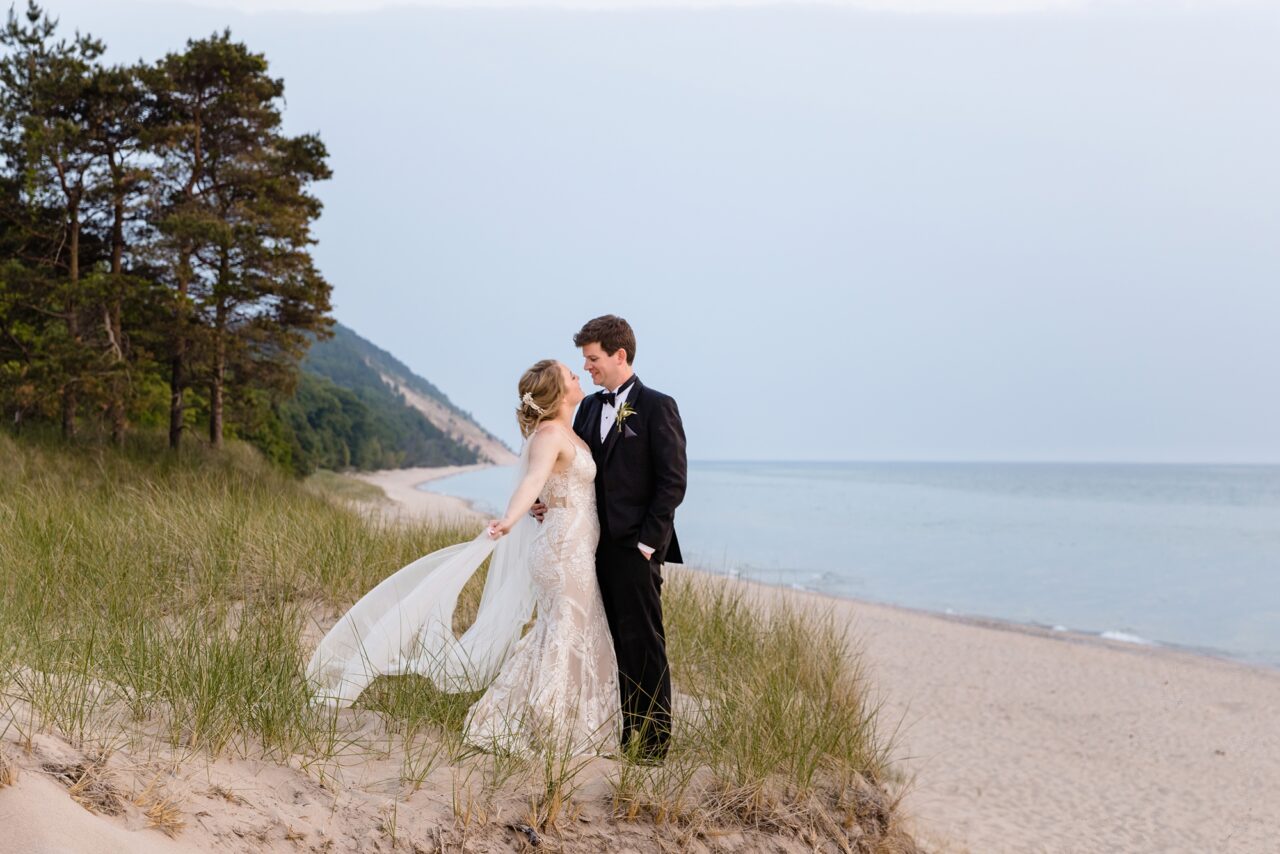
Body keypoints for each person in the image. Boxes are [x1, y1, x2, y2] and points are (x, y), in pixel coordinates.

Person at [307, 360, 620, 756]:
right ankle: (546, 724)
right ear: (558, 393)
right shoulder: (548, 436)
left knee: (566, 632)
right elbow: (532, 480)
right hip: (561, 552)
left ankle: (572, 721)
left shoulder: (569, 430)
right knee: (562, 635)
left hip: (577, 547)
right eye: (570, 375)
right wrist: (510, 518)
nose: (578, 375)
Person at [535, 315, 687, 763]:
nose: (588, 368)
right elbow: (571, 466)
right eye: (584, 360)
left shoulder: (659, 406)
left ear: (620, 355)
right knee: (604, 642)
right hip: (586, 546)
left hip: (634, 549)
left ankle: (654, 747)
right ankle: (618, 735)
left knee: (643, 642)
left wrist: (647, 544)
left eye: (594, 358)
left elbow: (672, 482)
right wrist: (546, 501)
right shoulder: (585, 408)